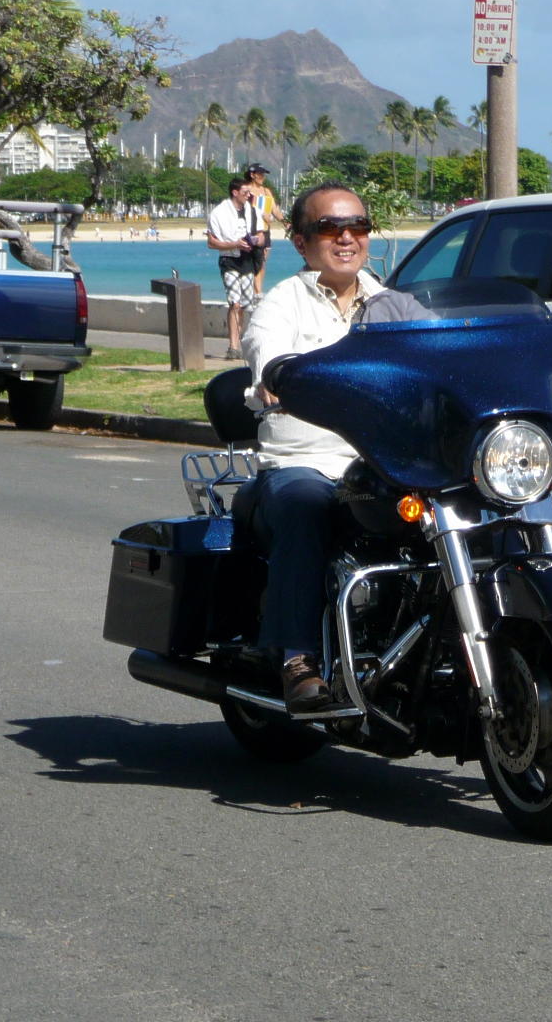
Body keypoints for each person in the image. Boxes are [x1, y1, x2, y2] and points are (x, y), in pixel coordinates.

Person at [234, 181, 389, 712]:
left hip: (382, 465)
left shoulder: (390, 304)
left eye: (357, 226)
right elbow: (265, 348)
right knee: (306, 506)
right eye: (329, 227)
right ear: (301, 242)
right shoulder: (282, 303)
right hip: (303, 465)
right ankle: (297, 656)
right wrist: (276, 375)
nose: (346, 237)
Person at [205, 176, 261, 358]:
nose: (248, 195)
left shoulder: (252, 211)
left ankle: (239, 344)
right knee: (234, 303)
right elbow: (212, 243)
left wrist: (255, 241)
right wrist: (235, 244)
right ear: (235, 193)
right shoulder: (219, 213)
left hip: (247, 260)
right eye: (245, 192)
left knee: (244, 304)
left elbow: (261, 235)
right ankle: (233, 346)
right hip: (229, 260)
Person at [244, 163, 284, 296]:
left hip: (265, 230)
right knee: (255, 261)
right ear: (252, 175)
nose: (262, 177)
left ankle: (258, 291)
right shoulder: (246, 191)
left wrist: (286, 222)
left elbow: (275, 210)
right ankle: (255, 291)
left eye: (263, 175)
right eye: (260, 174)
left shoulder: (266, 191)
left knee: (262, 262)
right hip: (252, 230)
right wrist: (261, 214)